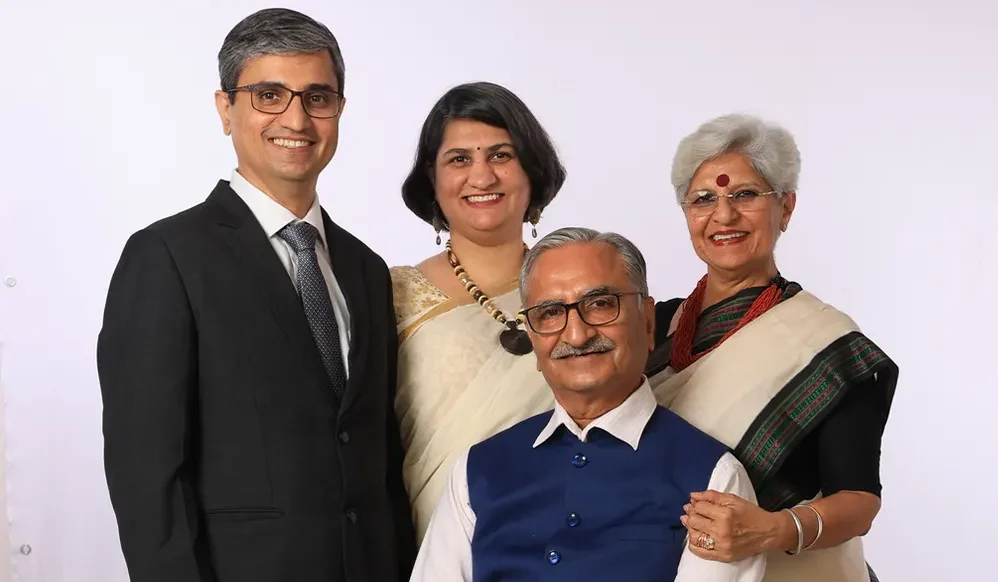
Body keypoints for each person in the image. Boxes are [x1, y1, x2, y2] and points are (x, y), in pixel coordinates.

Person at [96, 9, 414, 582]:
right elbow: (146, 475)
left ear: (340, 109)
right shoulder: (167, 256)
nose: (297, 117)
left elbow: (378, 459)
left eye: (318, 97)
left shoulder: (365, 269)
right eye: (269, 94)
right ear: (226, 109)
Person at [410, 227, 766, 582]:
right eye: (549, 312)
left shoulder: (713, 479)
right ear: (533, 339)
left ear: (646, 321)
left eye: (600, 304)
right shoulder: (476, 473)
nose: (577, 335)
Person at [645, 113, 898, 582]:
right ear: (687, 215)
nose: (724, 215)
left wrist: (772, 530)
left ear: (786, 207)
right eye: (704, 199)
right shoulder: (655, 326)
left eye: (744, 194)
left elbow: (859, 501)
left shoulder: (827, 345)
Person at [391, 81, 567, 541]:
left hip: (573, 545)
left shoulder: (582, 289)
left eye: (501, 155)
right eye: (459, 159)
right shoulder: (389, 294)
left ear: (532, 169)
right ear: (432, 177)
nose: (482, 177)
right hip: (436, 547)